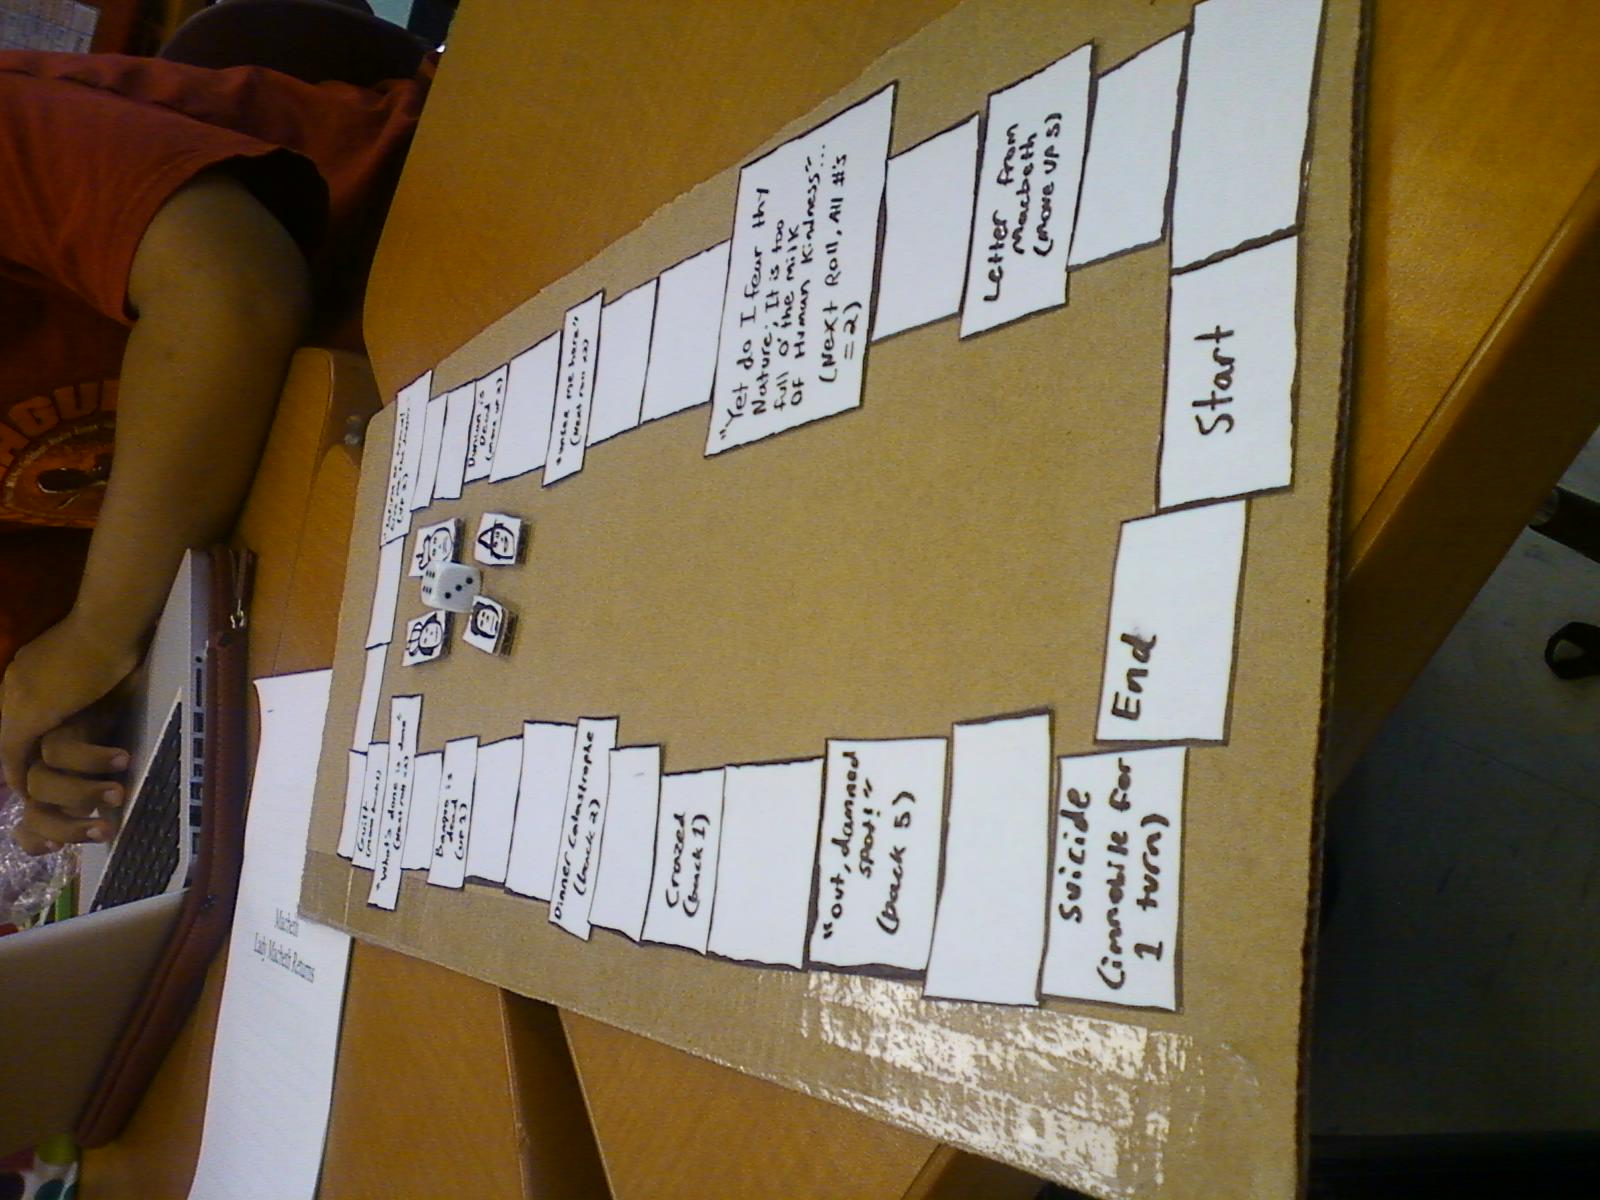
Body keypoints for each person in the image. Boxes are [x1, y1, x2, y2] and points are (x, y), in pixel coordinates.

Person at [0, 36, 429, 854]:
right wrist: (76, 727)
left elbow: (232, 289)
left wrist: (97, 634)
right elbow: (63, 651)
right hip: (361, 487)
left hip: (458, 239)